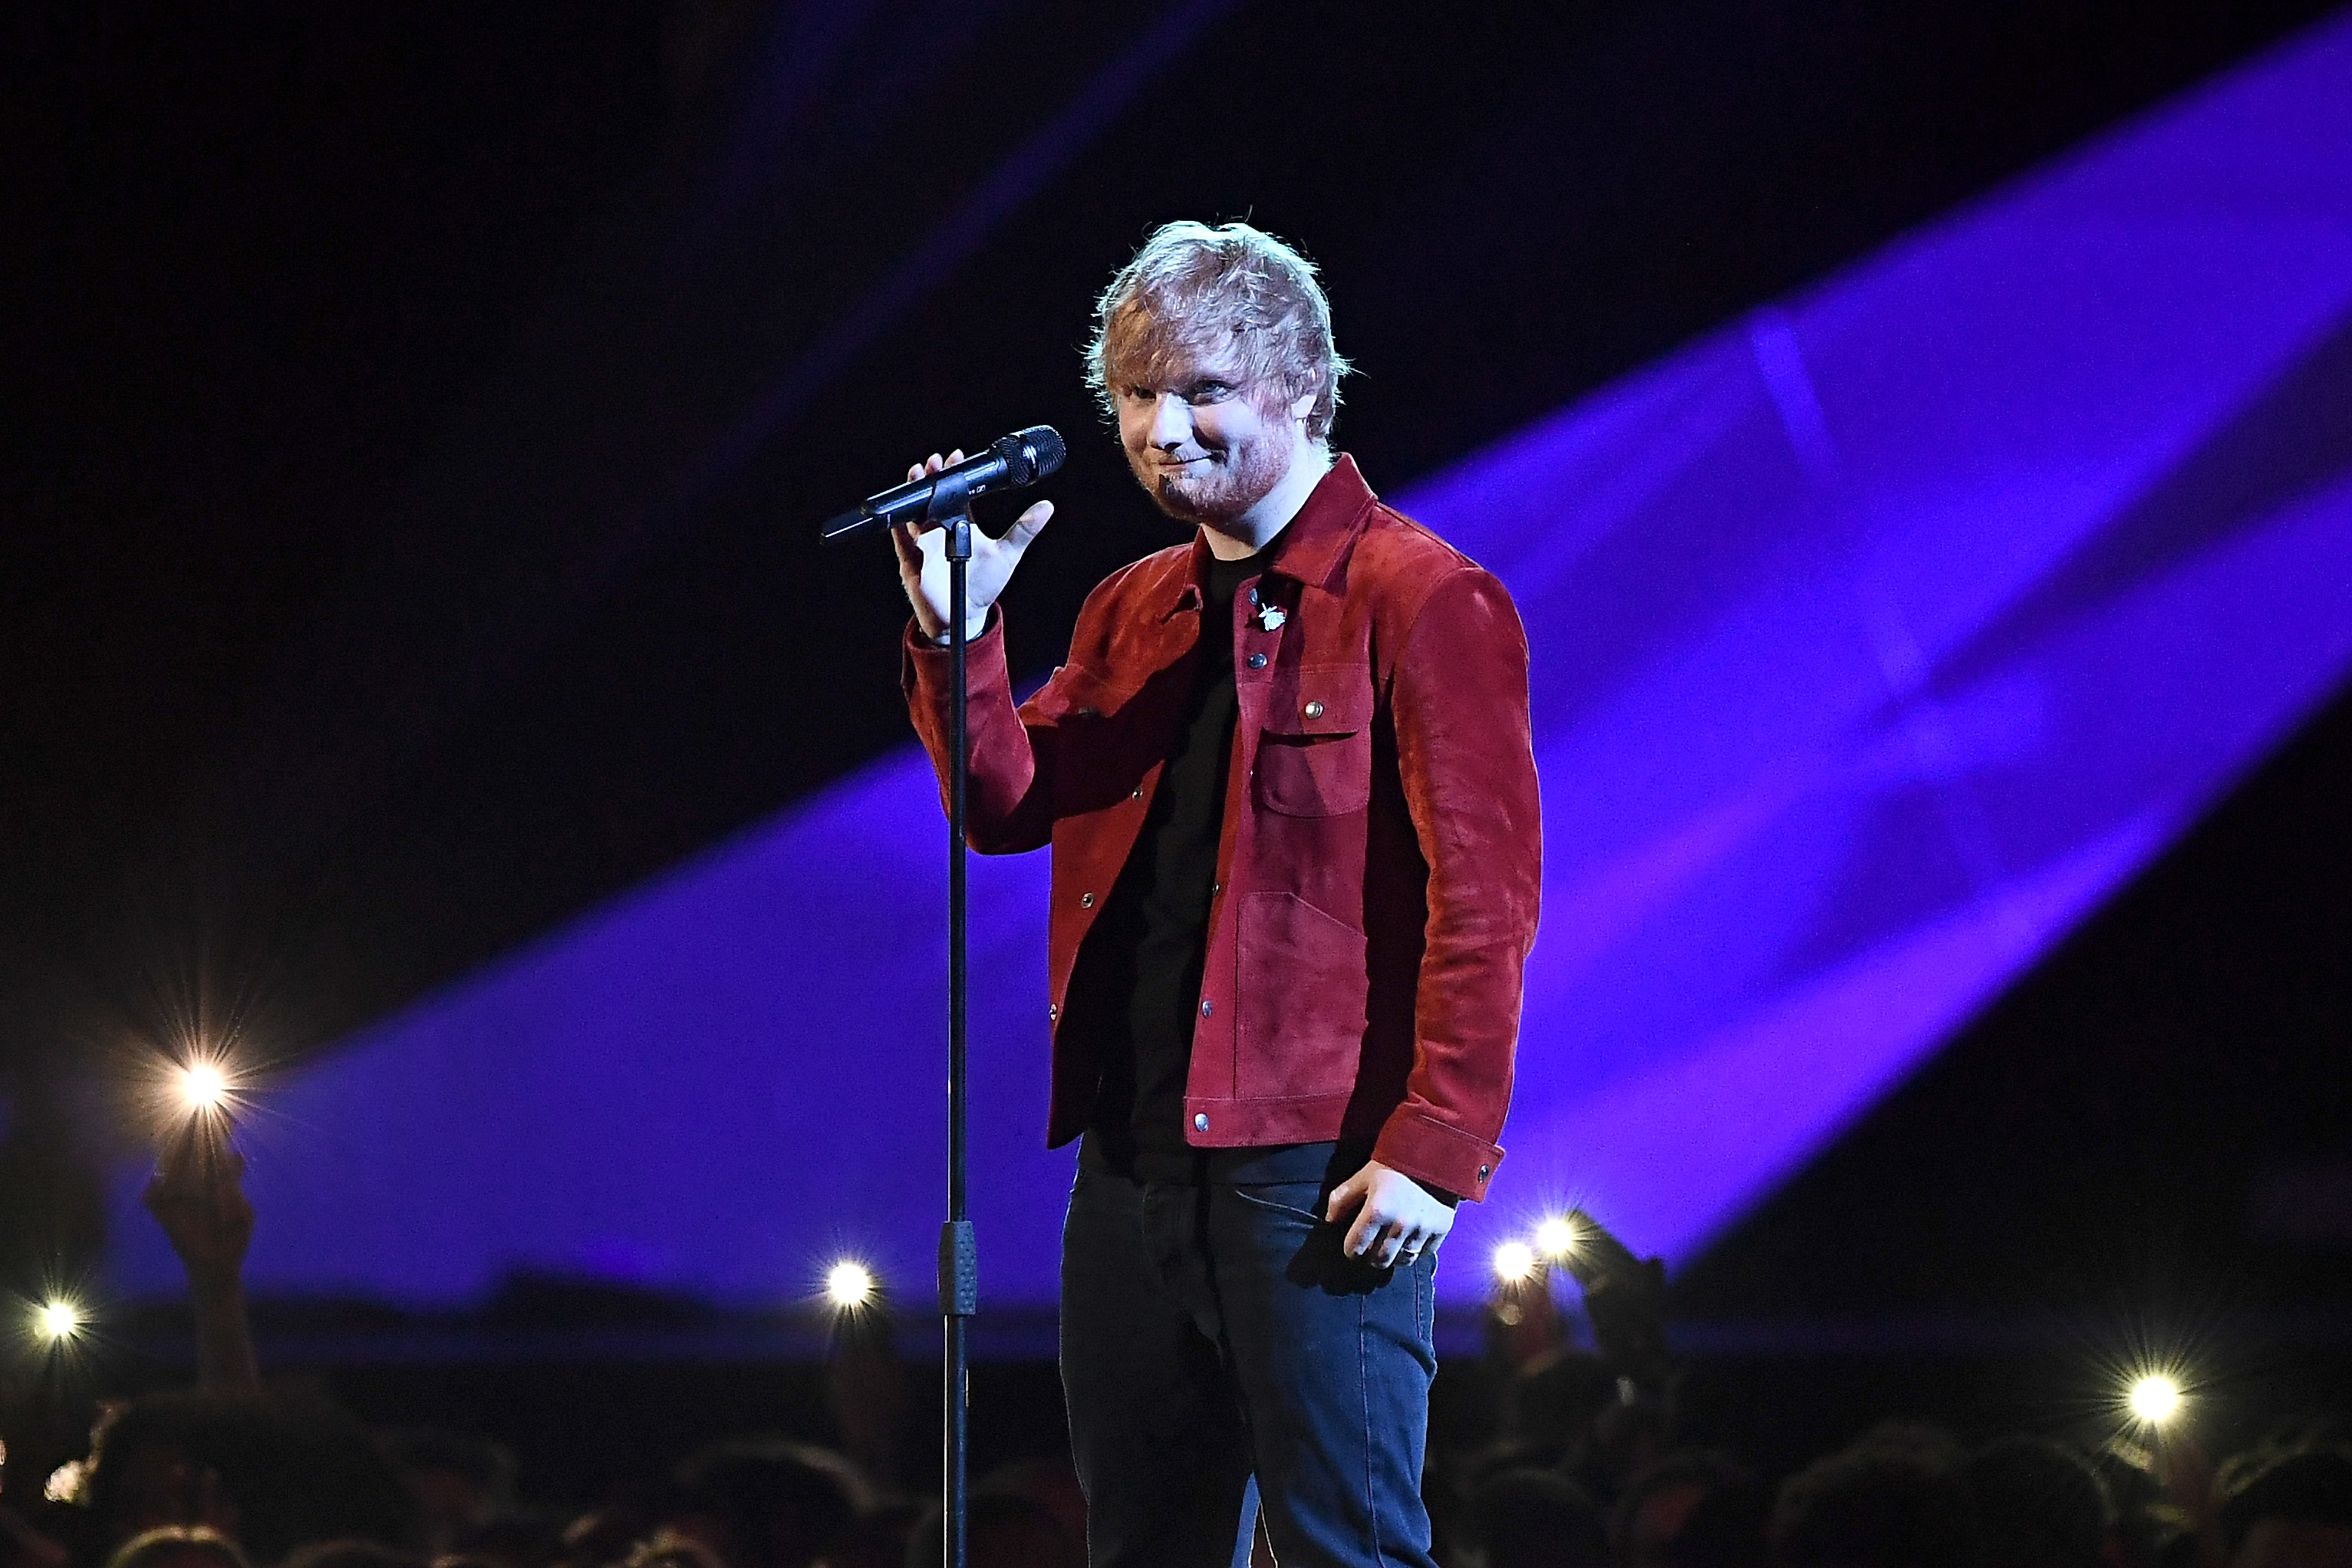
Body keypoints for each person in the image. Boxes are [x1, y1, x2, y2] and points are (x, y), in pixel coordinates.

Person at [891, 219, 1542, 1566]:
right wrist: (959, 639)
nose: (1159, 429)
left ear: (1298, 383)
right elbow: (1009, 803)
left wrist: (1434, 1144)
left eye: (1198, 390)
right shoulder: (1134, 606)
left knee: (1340, 1546)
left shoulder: (1420, 598)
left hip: (1314, 1171)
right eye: (1135, 397)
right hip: (1132, 1167)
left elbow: (1487, 898)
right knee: (1143, 1544)